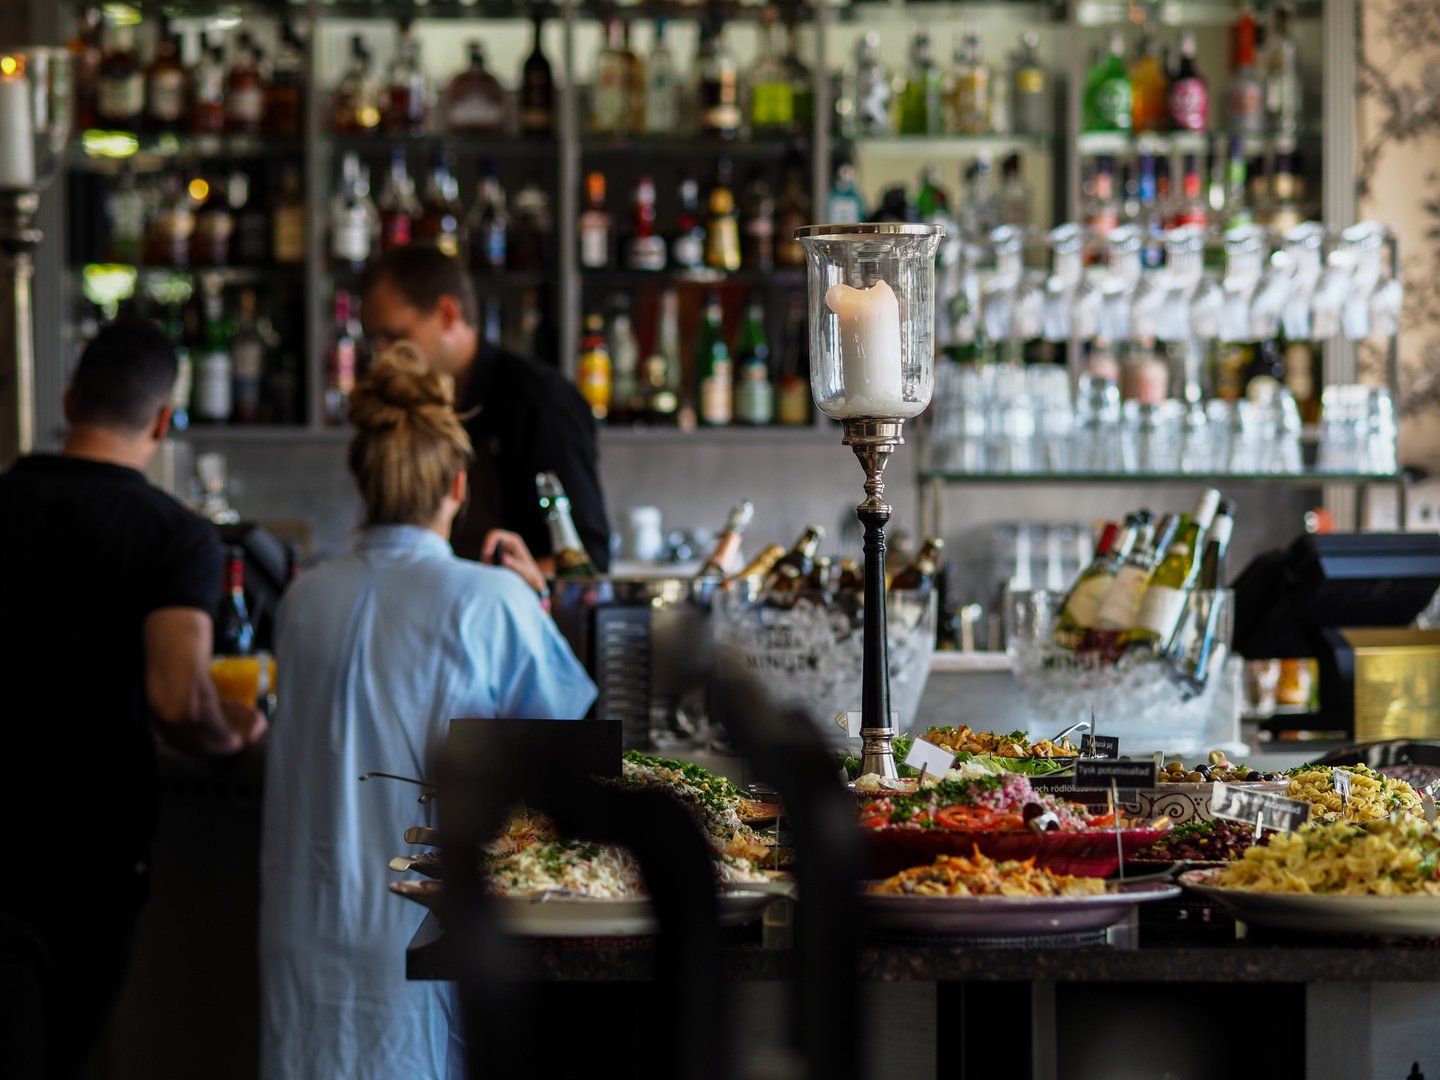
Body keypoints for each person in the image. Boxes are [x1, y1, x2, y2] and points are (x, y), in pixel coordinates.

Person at [259, 343, 596, 1079]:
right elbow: (569, 752)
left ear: (363, 480)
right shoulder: (491, 599)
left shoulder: (304, 598)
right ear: (458, 484)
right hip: (421, 941)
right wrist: (537, 604)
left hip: (308, 930)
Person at [0, 320, 267, 1080]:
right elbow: (180, 701)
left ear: (69, 400)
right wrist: (234, 732)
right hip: (92, 867)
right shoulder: (174, 536)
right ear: (161, 420)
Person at [359, 244, 612, 571]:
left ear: (448, 314)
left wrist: (497, 594)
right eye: (375, 341)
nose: (382, 356)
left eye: (394, 336)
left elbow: (587, 558)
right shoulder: (413, 404)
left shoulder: (540, 399)